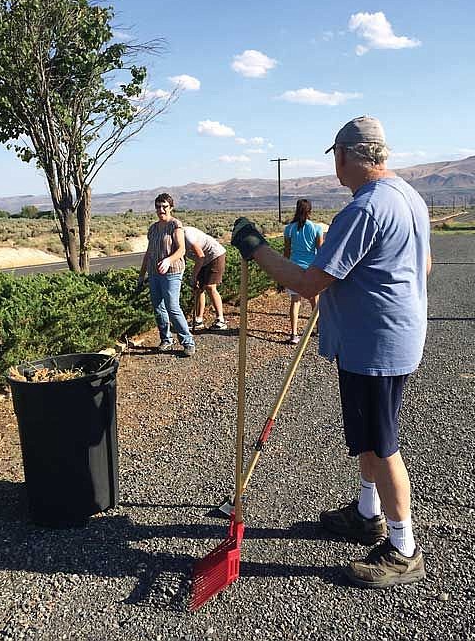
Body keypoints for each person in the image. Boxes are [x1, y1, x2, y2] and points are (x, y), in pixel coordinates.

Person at [231, 116, 431, 588]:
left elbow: (306, 282)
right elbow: (424, 264)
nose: (335, 166)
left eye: (335, 157)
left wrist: (255, 246)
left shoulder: (364, 210)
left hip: (375, 344)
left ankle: (404, 547)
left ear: (346, 156)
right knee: (365, 436)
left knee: (382, 446)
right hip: (386, 336)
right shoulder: (408, 195)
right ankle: (368, 513)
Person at [137, 193, 195, 357]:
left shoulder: (175, 225)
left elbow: (182, 250)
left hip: (172, 271)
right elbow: (148, 253)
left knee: (172, 307)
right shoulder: (153, 228)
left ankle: (188, 341)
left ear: (171, 207)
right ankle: (166, 339)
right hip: (154, 273)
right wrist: (142, 275)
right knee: (158, 307)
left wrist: (169, 260)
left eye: (164, 206)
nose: (161, 210)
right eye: (158, 206)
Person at [283, 199, 324, 344]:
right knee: (315, 300)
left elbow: (286, 252)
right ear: (310, 211)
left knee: (295, 301)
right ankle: (319, 328)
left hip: (294, 267)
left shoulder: (289, 229)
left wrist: (283, 271)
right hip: (311, 268)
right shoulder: (316, 228)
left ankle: (293, 334)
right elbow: (320, 251)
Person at [183, 226, 228, 330]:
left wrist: (194, 276)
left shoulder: (186, 236)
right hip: (203, 260)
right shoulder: (172, 239)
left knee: (210, 287)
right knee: (198, 288)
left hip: (214, 255)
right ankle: (198, 320)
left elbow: (200, 257)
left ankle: (220, 320)